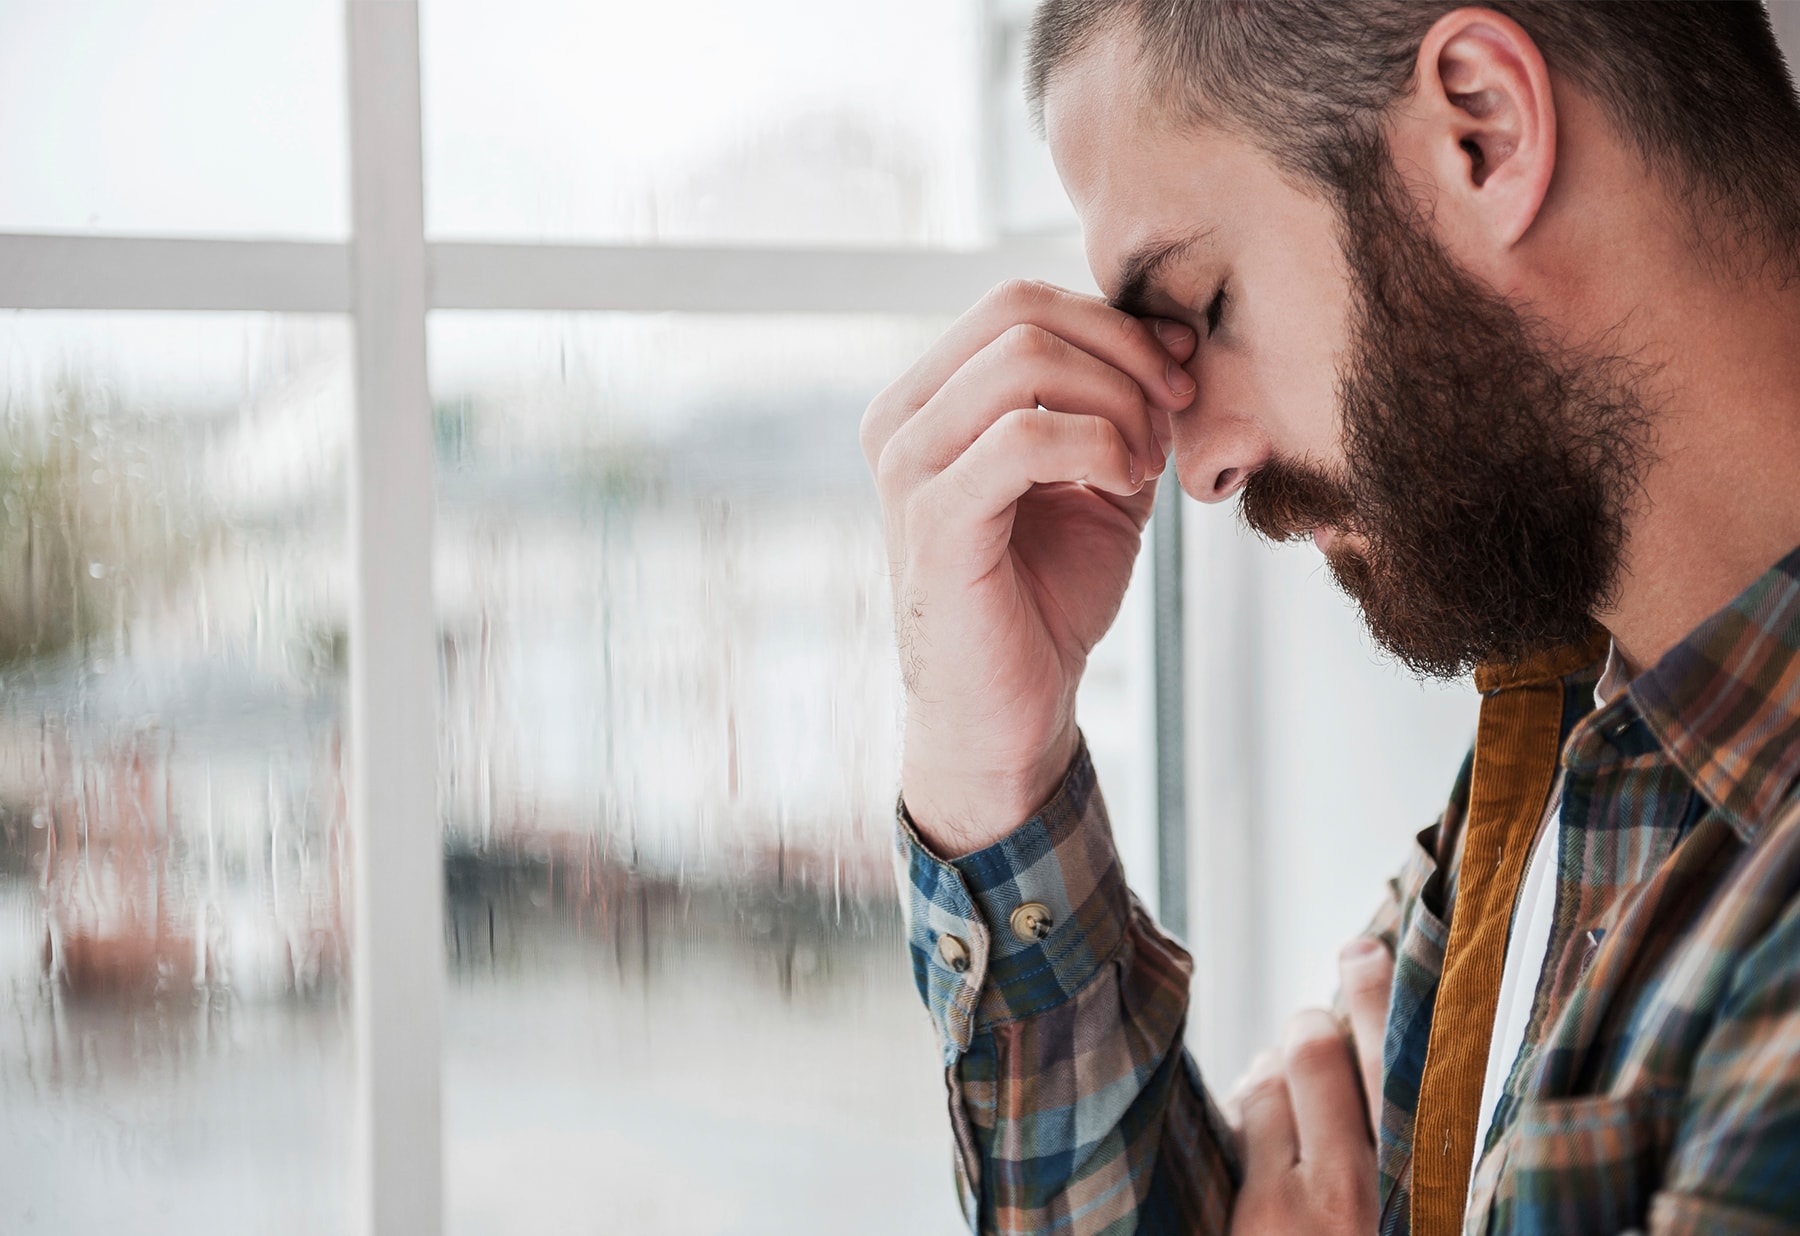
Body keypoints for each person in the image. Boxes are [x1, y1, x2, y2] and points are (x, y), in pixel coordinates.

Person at [858, 2, 1800, 1233]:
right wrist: (997, 774)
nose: (1194, 467)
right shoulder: (1577, 741)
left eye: (1205, 302)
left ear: (1486, 131)